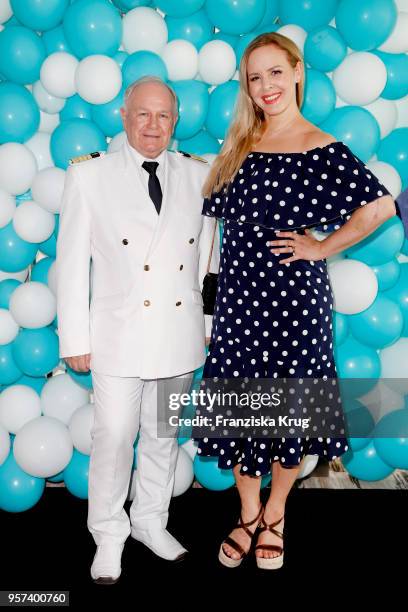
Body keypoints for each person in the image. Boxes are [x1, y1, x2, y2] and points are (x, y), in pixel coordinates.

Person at [194, 32, 396, 570]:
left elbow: (378, 208)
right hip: (239, 305)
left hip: (294, 305)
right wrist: (213, 309)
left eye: (275, 73)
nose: (266, 87)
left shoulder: (320, 146)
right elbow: (216, 235)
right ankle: (246, 512)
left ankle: (276, 512)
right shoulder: (238, 143)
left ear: (298, 72)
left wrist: (322, 247)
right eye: (255, 77)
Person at [56, 76, 219, 584]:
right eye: (143, 114)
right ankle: (108, 533)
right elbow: (70, 263)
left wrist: (207, 323)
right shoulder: (90, 177)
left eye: (163, 115)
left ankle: (151, 521)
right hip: (118, 335)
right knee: (115, 436)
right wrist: (74, 339)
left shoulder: (200, 174)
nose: (153, 126)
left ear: (176, 119)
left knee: (162, 435)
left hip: (178, 329)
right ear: (124, 115)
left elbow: (208, 262)